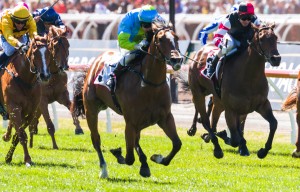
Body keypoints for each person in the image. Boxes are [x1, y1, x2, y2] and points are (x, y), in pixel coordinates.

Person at [107, 4, 161, 90]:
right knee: (130, 56)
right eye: (146, 26)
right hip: (129, 42)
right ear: (140, 22)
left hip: (145, 40)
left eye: (151, 26)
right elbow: (122, 42)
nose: (149, 29)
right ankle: (113, 76)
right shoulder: (128, 20)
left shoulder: (158, 18)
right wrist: (136, 46)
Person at [205, 2, 261, 79]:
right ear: (238, 14)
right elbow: (216, 37)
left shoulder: (255, 20)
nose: (247, 21)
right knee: (230, 45)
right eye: (244, 18)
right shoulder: (229, 20)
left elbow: (263, 31)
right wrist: (222, 46)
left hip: (245, 39)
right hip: (232, 37)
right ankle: (213, 64)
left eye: (249, 18)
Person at [0, 4, 38, 69]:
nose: (20, 25)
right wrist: (19, 44)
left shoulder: (30, 19)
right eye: (17, 21)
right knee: (10, 50)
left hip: (20, 36)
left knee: (29, 48)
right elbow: (9, 36)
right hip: (5, 36)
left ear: (27, 19)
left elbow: (33, 33)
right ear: (12, 18)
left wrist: (36, 42)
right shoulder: (6, 19)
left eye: (23, 22)